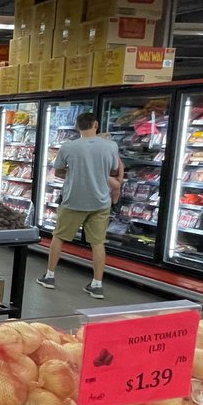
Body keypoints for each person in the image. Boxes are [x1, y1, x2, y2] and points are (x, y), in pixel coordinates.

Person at [38, 111, 123, 299]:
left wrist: (73, 173)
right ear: (96, 125)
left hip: (73, 200)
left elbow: (59, 170)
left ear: (77, 127)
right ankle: (97, 285)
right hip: (100, 201)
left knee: (59, 237)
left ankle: (50, 276)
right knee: (98, 243)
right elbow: (113, 170)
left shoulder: (69, 147)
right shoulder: (110, 146)